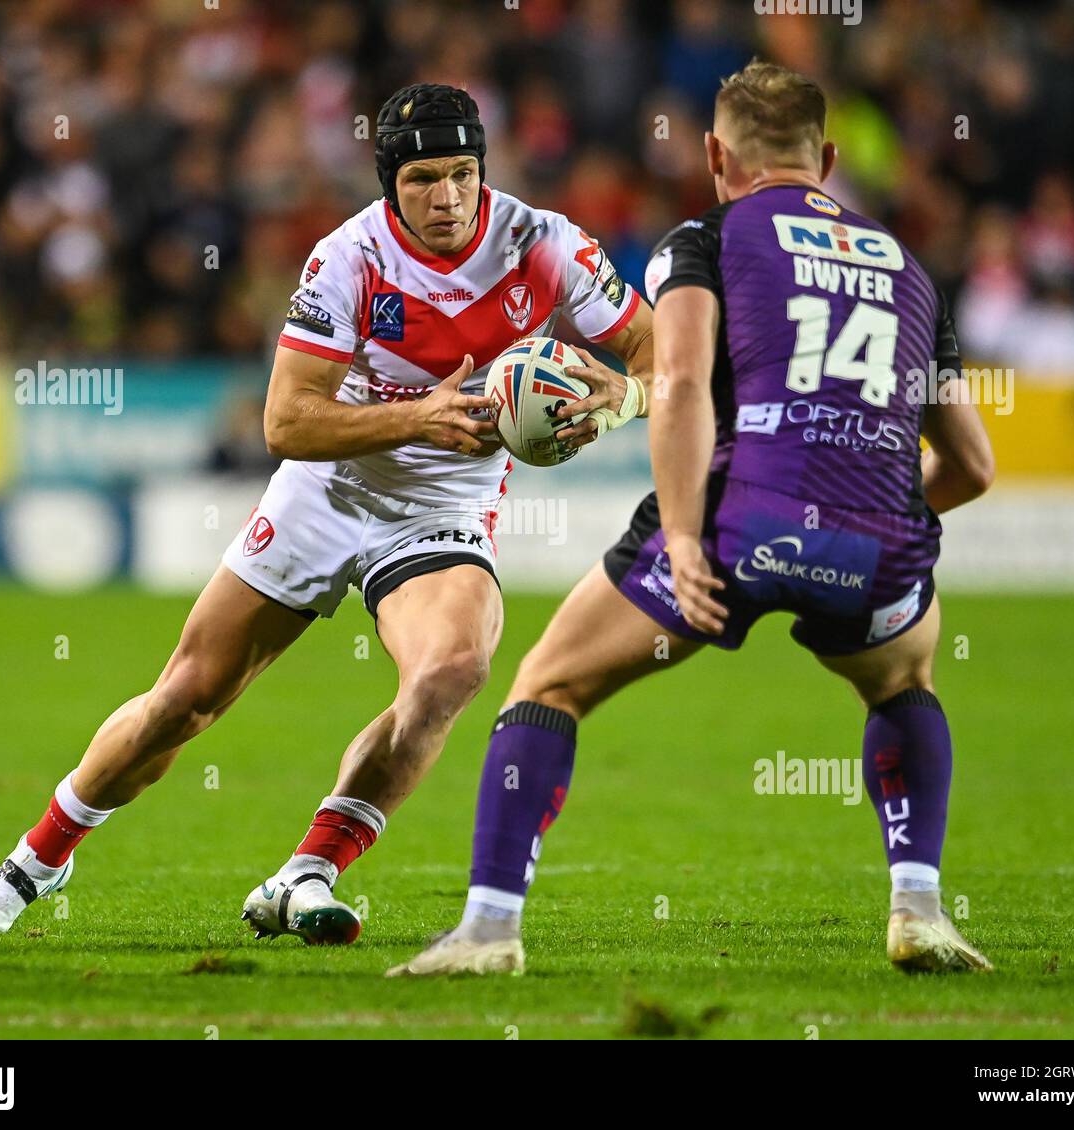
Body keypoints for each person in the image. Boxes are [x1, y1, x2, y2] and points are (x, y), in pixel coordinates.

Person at [0, 84, 653, 942]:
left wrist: (628, 396)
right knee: (187, 700)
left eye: (464, 174)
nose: (449, 198)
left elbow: (655, 347)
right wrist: (420, 414)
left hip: (444, 499)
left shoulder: (541, 244)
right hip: (330, 484)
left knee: (452, 668)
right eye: (425, 178)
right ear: (391, 181)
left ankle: (306, 870)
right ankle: (38, 861)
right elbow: (287, 421)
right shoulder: (347, 258)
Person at [390, 61, 996, 978]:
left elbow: (677, 386)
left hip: (731, 527)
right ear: (827, 158)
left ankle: (489, 930)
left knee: (547, 686)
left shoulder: (705, 238)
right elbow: (975, 467)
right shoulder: (910, 269)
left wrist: (682, 538)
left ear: (716, 155)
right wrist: (872, 507)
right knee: (906, 684)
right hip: (879, 535)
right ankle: (919, 910)